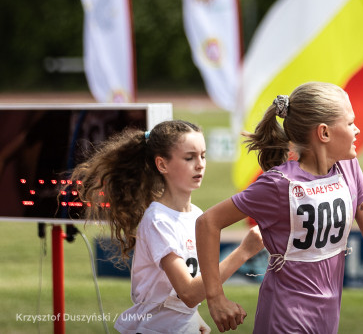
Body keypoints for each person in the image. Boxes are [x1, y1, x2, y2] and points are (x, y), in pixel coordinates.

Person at [196, 82, 363, 334]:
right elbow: (207, 222)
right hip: (283, 320)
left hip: (327, 321)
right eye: (350, 123)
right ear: (324, 133)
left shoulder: (348, 168)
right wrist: (215, 299)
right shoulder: (279, 184)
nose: (357, 130)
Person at [70, 119, 264, 334]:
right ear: (162, 165)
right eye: (189, 158)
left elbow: (179, 294)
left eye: (203, 155)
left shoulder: (197, 215)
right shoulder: (158, 221)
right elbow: (188, 293)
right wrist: (243, 252)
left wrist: (194, 318)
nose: (200, 164)